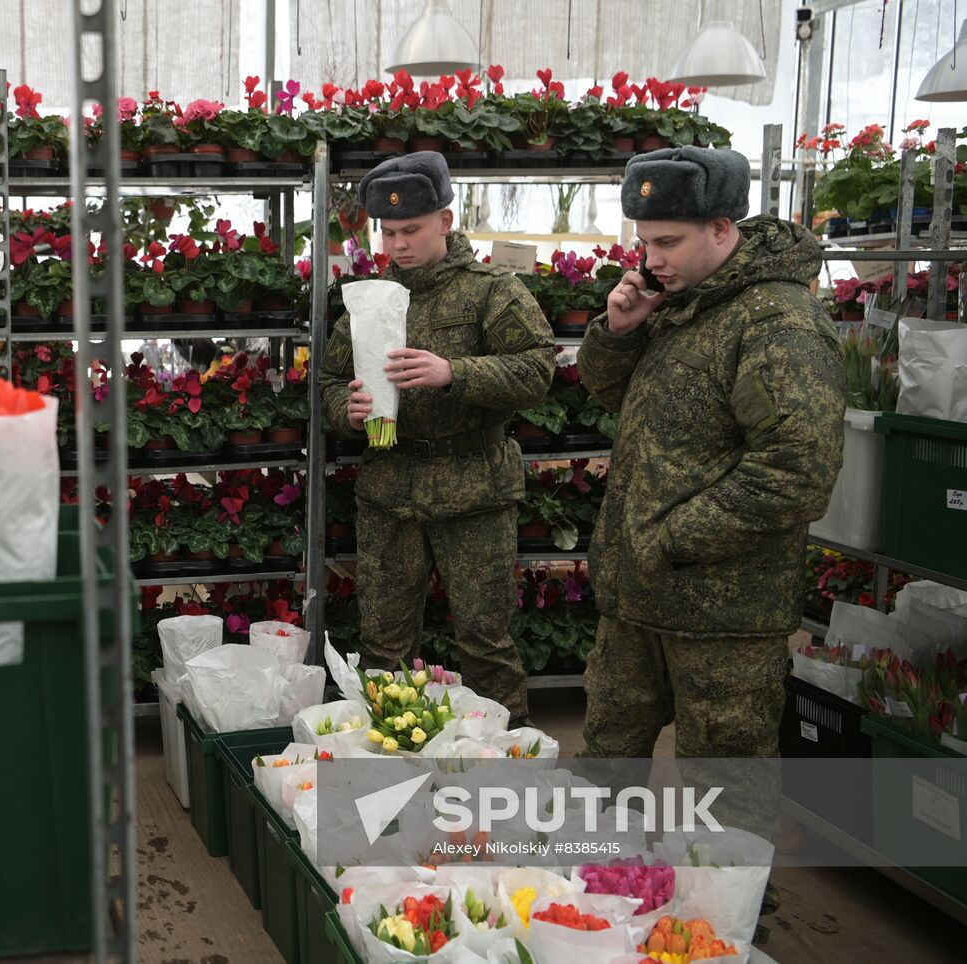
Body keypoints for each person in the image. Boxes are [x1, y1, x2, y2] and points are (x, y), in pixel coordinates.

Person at [577, 146, 846, 764]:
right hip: (638, 600)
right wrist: (621, 331)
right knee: (603, 768)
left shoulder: (777, 322)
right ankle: (600, 864)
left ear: (723, 229)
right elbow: (612, 393)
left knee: (722, 797)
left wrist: (668, 539)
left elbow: (796, 470)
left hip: (724, 614)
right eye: (645, 243)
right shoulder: (685, 300)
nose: (651, 260)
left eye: (667, 242)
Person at [320, 152, 555, 723]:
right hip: (389, 492)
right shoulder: (367, 299)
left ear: (445, 223)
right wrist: (344, 409)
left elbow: (538, 369)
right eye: (389, 232)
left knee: (486, 645)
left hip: (472, 492)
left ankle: (507, 770)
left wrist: (457, 372)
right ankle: (384, 768)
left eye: (412, 230)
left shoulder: (490, 291)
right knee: (382, 646)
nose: (398, 245)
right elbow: (328, 379)